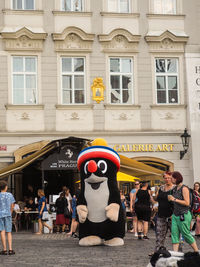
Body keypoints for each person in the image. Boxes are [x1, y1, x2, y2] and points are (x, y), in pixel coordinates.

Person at [168, 171, 199, 252]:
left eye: (172, 178)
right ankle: (175, 255)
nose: (170, 180)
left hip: (184, 214)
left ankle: (197, 252)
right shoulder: (174, 189)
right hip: (175, 215)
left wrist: (174, 199)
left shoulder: (184, 188)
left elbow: (187, 203)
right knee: (174, 235)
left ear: (176, 178)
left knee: (186, 234)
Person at [153, 172, 175, 252]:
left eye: (169, 178)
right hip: (161, 215)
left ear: (172, 178)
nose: (167, 179)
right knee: (159, 235)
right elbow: (156, 199)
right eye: (165, 178)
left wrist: (174, 214)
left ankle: (178, 252)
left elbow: (178, 202)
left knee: (175, 235)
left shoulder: (175, 189)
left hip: (172, 216)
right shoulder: (161, 188)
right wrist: (153, 196)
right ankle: (157, 252)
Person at [0, 180, 15, 255]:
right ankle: (11, 249)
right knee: (9, 232)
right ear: (6, 187)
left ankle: (5, 250)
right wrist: (10, 212)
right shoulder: (10, 195)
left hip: (0, 215)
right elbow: (12, 205)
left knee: (2, 231)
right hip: (8, 214)